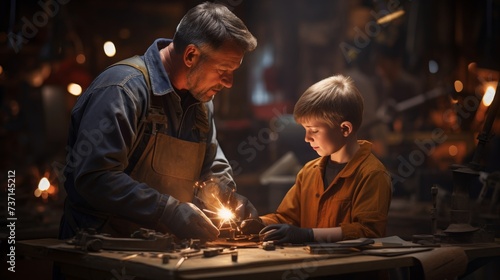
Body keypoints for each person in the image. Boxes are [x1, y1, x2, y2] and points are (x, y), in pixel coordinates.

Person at [59, 2, 258, 242]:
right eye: (224, 69)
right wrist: (166, 210)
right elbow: (96, 177)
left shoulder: (202, 103)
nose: (229, 82)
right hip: (101, 250)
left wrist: (227, 198)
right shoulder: (122, 90)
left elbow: (210, 169)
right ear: (191, 55)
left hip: (161, 251)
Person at [242, 75, 392, 244]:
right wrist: (258, 223)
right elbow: (286, 218)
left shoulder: (372, 174)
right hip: (316, 268)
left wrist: (309, 235)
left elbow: (368, 232)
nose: (306, 138)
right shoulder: (309, 172)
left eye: (314, 130)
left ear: (345, 129)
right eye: (305, 129)